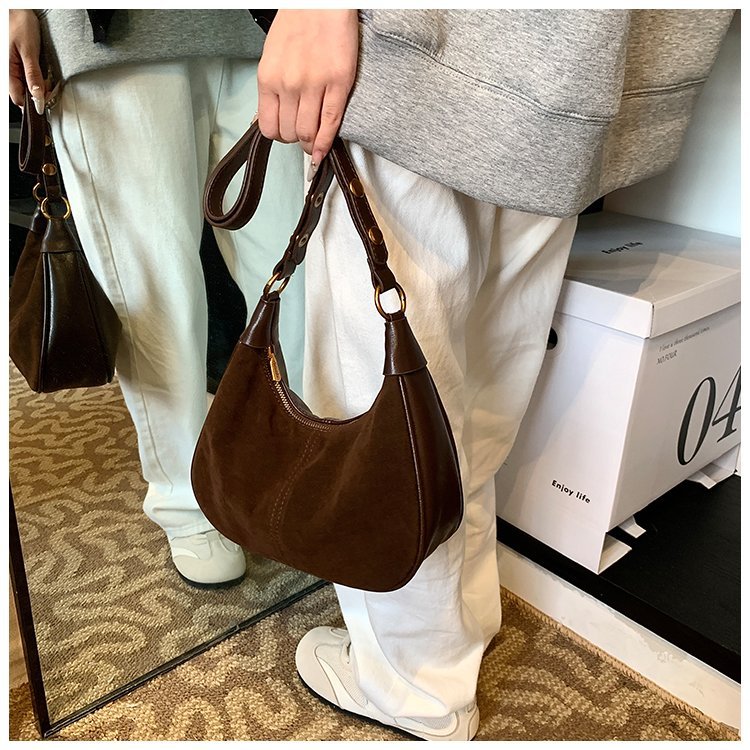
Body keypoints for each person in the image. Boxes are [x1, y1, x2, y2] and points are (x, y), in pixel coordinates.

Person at [254, 9, 734, 741]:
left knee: (383, 418)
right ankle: (460, 626)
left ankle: (412, 687)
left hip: (427, 53)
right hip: (578, 69)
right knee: (478, 392)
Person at [8, 9, 307, 588]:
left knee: (298, 274)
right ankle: (186, 499)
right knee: (155, 284)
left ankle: (299, 466)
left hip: (268, 26)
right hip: (118, 38)